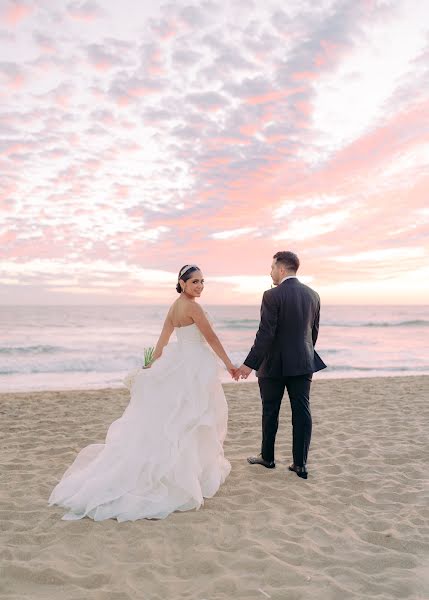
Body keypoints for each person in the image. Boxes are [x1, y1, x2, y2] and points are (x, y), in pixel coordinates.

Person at [49, 265, 235, 521]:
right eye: (194, 282)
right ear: (181, 283)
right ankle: (188, 475)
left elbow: (161, 345)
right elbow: (211, 338)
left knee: (180, 419)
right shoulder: (193, 307)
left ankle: (187, 470)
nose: (200, 286)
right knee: (192, 418)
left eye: (203, 281)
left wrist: (149, 368)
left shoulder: (174, 307)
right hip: (194, 366)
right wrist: (229, 365)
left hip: (179, 362)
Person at [235, 251, 326, 479]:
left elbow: (265, 334)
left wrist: (249, 364)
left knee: (270, 410)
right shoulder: (313, 295)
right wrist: (304, 353)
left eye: (272, 267)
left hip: (273, 366)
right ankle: (300, 465)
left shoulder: (271, 295)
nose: (270, 272)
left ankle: (268, 458)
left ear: (282, 269)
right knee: (302, 411)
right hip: (303, 362)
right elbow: (313, 333)